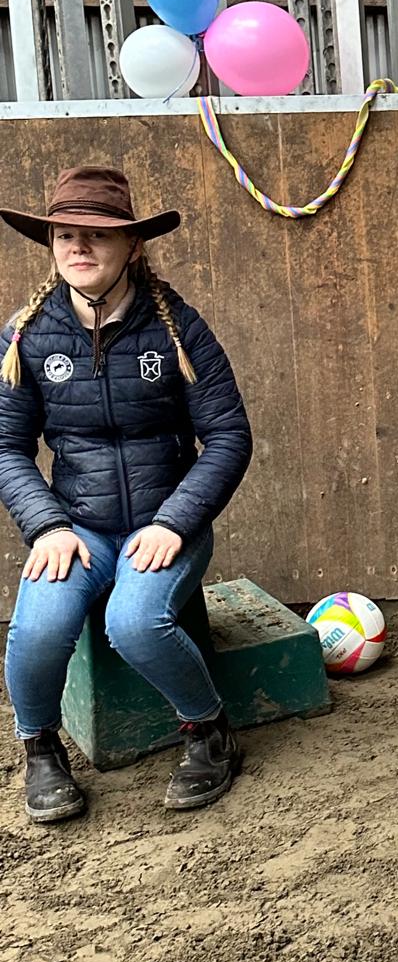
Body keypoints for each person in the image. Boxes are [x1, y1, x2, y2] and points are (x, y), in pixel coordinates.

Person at [0, 166, 252, 822]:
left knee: (135, 623)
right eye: (64, 235)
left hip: (165, 523)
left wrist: (175, 522)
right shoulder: (27, 337)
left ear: (133, 246)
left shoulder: (177, 329)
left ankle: (210, 733)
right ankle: (41, 751)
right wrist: (47, 526)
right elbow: (5, 446)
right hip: (77, 527)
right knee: (37, 629)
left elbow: (228, 436)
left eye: (97, 235)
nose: (78, 247)